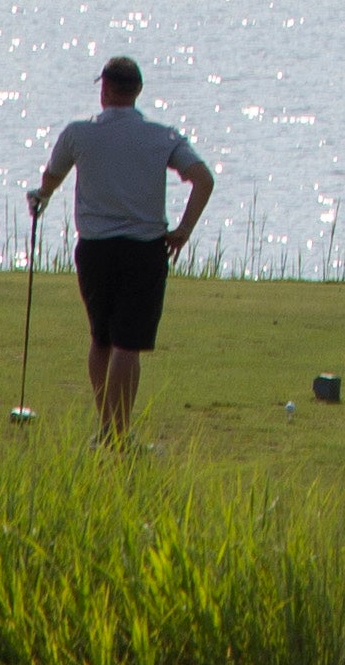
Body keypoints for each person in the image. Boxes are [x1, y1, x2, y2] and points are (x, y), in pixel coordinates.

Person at [30, 54, 213, 444]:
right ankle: (118, 433)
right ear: (138, 91)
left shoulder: (79, 134)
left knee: (102, 340)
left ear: (105, 89)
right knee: (128, 344)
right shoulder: (162, 136)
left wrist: (41, 197)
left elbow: (51, 177)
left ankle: (108, 430)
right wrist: (182, 230)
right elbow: (203, 179)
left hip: (95, 249)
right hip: (144, 251)